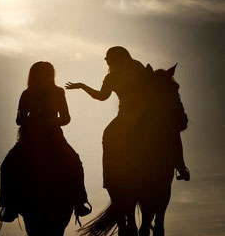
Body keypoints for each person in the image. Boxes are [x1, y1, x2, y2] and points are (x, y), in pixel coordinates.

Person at [65, 46, 189, 198]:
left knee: (170, 129)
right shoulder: (110, 77)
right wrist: (83, 86)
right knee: (109, 134)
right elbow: (102, 96)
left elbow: (151, 85)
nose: (107, 60)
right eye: (106, 57)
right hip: (125, 114)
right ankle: (110, 177)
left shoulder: (136, 67)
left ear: (119, 56)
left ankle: (181, 166)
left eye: (109, 57)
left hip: (145, 112)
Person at [0, 61, 91, 236]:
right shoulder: (26, 94)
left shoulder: (58, 92)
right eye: (43, 73)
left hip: (53, 135)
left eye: (49, 73)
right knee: (7, 164)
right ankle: (9, 205)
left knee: (75, 160)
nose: (46, 76)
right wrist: (32, 118)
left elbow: (66, 118)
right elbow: (18, 119)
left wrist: (50, 120)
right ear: (35, 75)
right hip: (30, 137)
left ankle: (80, 201)